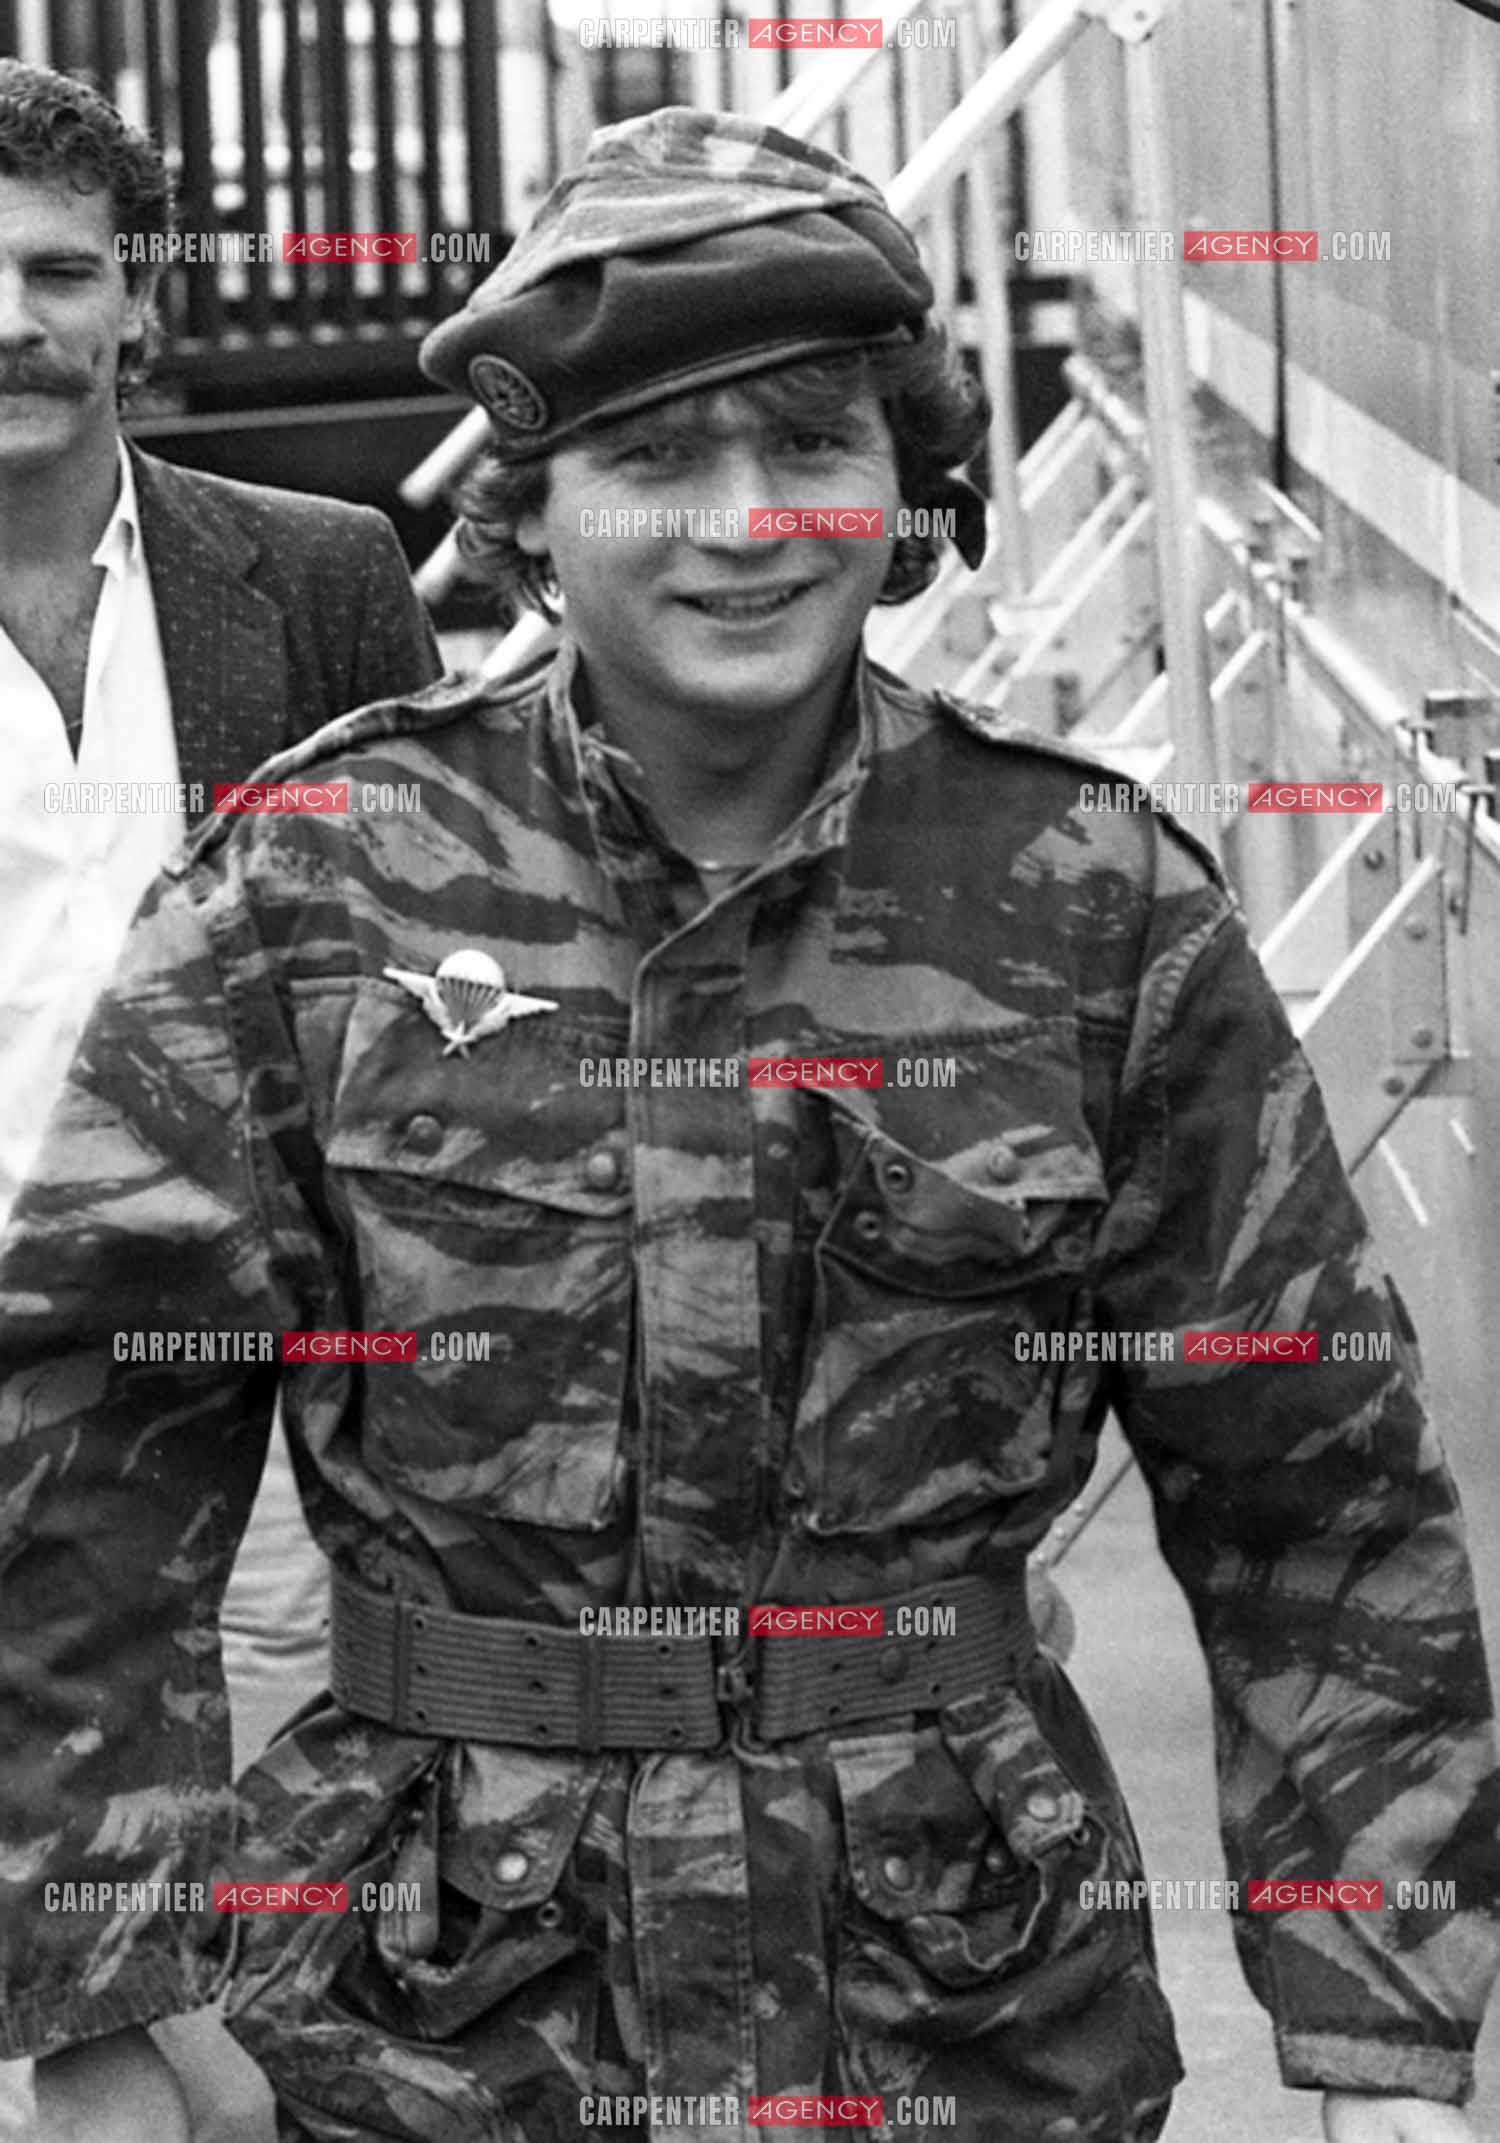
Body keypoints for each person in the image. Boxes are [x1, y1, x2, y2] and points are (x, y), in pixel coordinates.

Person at [0, 106, 1494, 2143]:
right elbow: (82, 1463)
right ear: (532, 513)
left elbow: (1313, 1491)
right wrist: (97, 2010)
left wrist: (1383, 2038)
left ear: (908, 490)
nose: (745, 522)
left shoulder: (1091, 897)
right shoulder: (316, 882)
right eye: (652, 459)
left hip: (964, 2016)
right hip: (433, 2032)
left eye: (811, 444)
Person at [0, 60, 440, 2134]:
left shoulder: (318, 574)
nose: (10, 320)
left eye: (55, 269)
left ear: (138, 301)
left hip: (250, 1331)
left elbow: (439, 961)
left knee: (269, 1834)